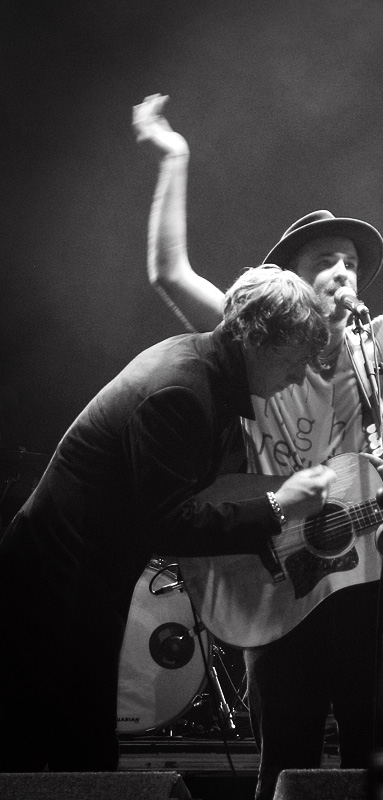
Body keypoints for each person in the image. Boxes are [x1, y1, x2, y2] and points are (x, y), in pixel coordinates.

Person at [132, 91, 383, 800]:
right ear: (292, 279)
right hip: (275, 574)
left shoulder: (382, 344)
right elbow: (168, 273)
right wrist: (172, 158)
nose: (343, 272)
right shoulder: (256, 335)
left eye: (350, 263)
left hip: (364, 579)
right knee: (288, 747)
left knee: (377, 747)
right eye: (326, 260)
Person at [0, 265, 336, 772]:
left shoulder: (202, 372)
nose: (300, 374)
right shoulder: (182, 391)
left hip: (73, 577)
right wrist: (277, 506)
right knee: (66, 750)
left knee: (71, 745)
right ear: (260, 339)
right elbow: (166, 523)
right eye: (296, 358)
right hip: (53, 583)